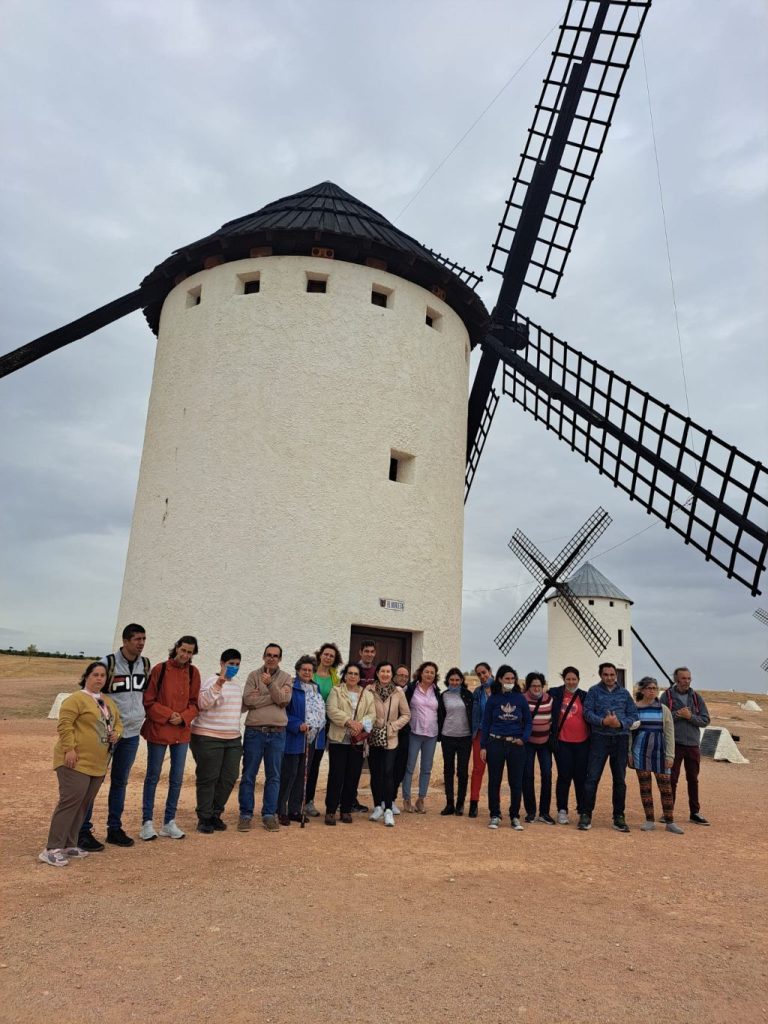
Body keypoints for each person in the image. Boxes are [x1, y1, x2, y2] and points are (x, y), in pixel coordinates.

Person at [40, 662, 122, 867]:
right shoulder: (75, 699)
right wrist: (69, 748)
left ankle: (69, 843)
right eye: (95, 674)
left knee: (83, 803)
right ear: (86, 676)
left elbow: (118, 722)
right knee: (70, 801)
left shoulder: (108, 701)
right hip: (75, 761)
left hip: (98, 763)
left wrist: (116, 733)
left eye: (103, 675)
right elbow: (64, 724)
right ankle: (52, 848)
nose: (100, 679)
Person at [77, 622, 150, 851]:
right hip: (108, 734)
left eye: (143, 639)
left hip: (131, 734)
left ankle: (114, 828)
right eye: (137, 639)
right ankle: (83, 830)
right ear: (126, 641)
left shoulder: (145, 664)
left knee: (120, 782)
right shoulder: (108, 664)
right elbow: (92, 693)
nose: (141, 643)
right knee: (94, 780)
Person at [140, 635, 201, 840]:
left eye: (189, 652)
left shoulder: (193, 673)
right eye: (183, 650)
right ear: (176, 648)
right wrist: (169, 715)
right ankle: (147, 822)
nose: (185, 655)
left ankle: (169, 821)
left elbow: (195, 703)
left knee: (176, 778)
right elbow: (148, 701)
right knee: (153, 776)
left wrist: (182, 717)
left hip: (181, 732)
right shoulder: (160, 669)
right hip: (159, 729)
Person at [238, 643, 292, 832]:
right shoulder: (253, 675)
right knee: (248, 775)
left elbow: (285, 701)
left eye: (275, 656)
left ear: (280, 659)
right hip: (255, 732)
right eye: (268, 655)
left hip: (277, 733)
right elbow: (247, 700)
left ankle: (269, 814)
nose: (271, 658)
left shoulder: (286, 677)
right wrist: (275, 696)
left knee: (274, 776)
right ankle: (245, 814)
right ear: (263, 656)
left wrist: (268, 686)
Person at [580, 662, 639, 833]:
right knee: (592, 778)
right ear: (600, 675)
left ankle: (619, 816)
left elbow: (633, 715)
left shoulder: (624, 693)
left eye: (612, 674)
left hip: (620, 739)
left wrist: (620, 723)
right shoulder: (593, 691)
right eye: (606, 674)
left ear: (616, 675)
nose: (609, 677)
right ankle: (586, 814)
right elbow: (587, 712)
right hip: (599, 739)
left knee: (620, 780)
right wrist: (603, 721)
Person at [190, 649, 243, 834]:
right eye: (230, 664)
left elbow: (238, 708)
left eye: (237, 664)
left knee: (229, 777)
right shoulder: (211, 681)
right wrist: (219, 684)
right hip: (208, 737)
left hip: (233, 739)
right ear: (221, 663)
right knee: (208, 778)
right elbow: (203, 703)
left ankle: (215, 813)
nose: (233, 667)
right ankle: (204, 818)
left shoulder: (237, 687)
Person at [629, 677, 683, 834]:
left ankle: (670, 821)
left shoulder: (663, 709)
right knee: (645, 787)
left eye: (654, 688)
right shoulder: (635, 708)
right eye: (649, 688)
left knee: (666, 787)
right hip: (640, 751)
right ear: (642, 690)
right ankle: (649, 820)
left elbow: (669, 733)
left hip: (660, 752)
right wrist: (629, 752)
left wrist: (670, 755)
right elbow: (630, 733)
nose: (652, 690)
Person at [481, 665, 532, 830]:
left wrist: (523, 739)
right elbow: (486, 723)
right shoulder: (494, 699)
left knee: (516, 782)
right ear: (500, 680)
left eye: (512, 679)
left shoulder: (520, 698)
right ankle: (495, 814)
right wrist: (483, 746)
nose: (510, 681)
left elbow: (528, 721)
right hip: (495, 743)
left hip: (515, 745)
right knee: (494, 781)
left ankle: (514, 816)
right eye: (507, 678)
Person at [324, 663, 376, 824]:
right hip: (338, 740)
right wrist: (349, 722)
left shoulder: (367, 695)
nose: (353, 676)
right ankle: (331, 811)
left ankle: (346, 810)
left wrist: (359, 725)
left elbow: (372, 714)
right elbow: (331, 709)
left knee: (352, 777)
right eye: (350, 673)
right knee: (336, 776)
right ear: (345, 675)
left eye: (356, 674)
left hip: (357, 742)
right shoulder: (336, 691)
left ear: (360, 677)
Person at [660, 667, 711, 825]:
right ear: (676, 679)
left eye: (689, 678)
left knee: (693, 779)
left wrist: (690, 717)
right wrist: (677, 715)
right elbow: (661, 719)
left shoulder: (696, 697)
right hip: (674, 744)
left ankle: (695, 812)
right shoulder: (666, 697)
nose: (686, 681)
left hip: (693, 745)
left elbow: (705, 720)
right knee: (671, 779)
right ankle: (668, 812)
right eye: (683, 678)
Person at [278, 656, 326, 825]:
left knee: (302, 776)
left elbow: (318, 711)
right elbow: (283, 712)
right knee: (289, 773)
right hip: (294, 736)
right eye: (304, 669)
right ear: (298, 670)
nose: (307, 672)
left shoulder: (315, 687)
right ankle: (281, 809)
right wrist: (297, 724)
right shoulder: (291, 687)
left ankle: (295, 810)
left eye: (310, 670)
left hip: (311, 738)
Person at [367, 662, 410, 826]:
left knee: (388, 772)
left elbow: (406, 714)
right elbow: (364, 711)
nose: (385, 674)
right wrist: (368, 726)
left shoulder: (398, 692)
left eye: (388, 671)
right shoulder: (369, 690)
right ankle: (377, 806)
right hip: (373, 736)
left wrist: (393, 727)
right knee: (375, 772)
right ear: (377, 673)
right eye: (382, 671)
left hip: (391, 737)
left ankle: (388, 809)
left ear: (392, 675)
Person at [304, 641, 342, 817]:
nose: (328, 657)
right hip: (306, 725)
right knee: (302, 763)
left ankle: (309, 801)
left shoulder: (336, 679)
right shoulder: (309, 672)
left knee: (315, 763)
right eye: (326, 654)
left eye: (331, 656)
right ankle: (296, 799)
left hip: (324, 727)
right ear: (320, 655)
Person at [549, 666, 590, 825]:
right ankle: (562, 810)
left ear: (578, 680)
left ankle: (582, 810)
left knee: (581, 778)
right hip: (563, 742)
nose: (571, 682)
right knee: (564, 776)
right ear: (563, 679)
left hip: (582, 742)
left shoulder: (585, 696)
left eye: (574, 679)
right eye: (568, 679)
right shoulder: (555, 693)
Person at [403, 662, 440, 813]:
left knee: (426, 768)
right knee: (410, 767)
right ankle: (406, 799)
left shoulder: (437, 691)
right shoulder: (411, 688)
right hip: (414, 732)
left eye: (432, 672)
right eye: (426, 671)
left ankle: (421, 799)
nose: (429, 674)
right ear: (421, 673)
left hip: (431, 734)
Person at [437, 668, 473, 815]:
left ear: (461, 681)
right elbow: (441, 715)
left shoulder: (468, 695)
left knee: (462, 772)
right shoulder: (443, 696)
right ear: (448, 681)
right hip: (448, 736)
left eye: (457, 680)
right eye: (452, 680)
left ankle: (460, 804)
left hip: (465, 737)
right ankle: (449, 803)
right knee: (448, 770)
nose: (454, 682)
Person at [522, 672, 555, 824]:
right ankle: (531, 811)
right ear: (528, 686)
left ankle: (544, 812)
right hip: (528, 743)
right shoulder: (523, 699)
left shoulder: (549, 699)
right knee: (527, 775)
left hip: (545, 743)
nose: (536, 688)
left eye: (539, 686)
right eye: (533, 686)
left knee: (547, 775)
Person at [469, 662, 493, 817]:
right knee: (478, 769)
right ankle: (473, 803)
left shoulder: (502, 690)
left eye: (484, 672)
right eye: (479, 674)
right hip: (480, 734)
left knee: (495, 771)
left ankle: (494, 805)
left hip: (497, 736)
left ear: (490, 671)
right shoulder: (477, 692)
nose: (482, 676)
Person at [392, 664, 412, 813]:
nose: (403, 678)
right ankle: (382, 800)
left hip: (404, 733)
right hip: (389, 732)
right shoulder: (389, 689)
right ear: (394, 676)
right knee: (386, 767)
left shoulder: (412, 691)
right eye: (400, 675)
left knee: (399, 767)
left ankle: (391, 799)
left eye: (406, 676)